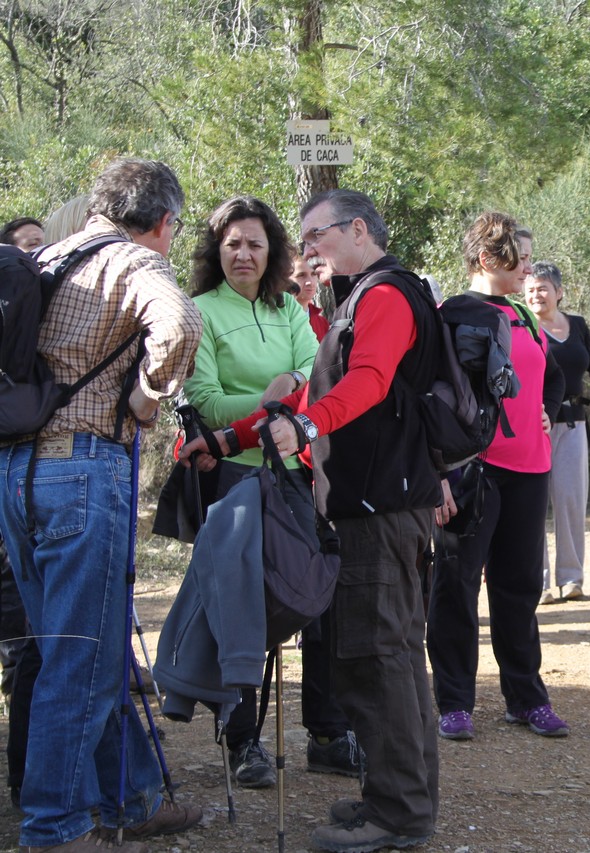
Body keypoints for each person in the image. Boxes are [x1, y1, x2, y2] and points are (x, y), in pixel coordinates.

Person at [184, 188, 446, 851]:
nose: (308, 251)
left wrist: (306, 427)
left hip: (377, 508)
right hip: (380, 503)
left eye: (315, 236)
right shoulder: (362, 298)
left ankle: (397, 814)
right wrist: (231, 437)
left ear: (357, 230)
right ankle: (402, 797)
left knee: (377, 657)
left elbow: (369, 380)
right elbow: (313, 390)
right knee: (392, 654)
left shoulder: (385, 295)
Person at [0, 157, 204, 851]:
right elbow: (181, 326)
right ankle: (55, 827)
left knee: (80, 647)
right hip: (83, 470)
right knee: (80, 660)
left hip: (16, 472)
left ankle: (128, 796)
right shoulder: (135, 262)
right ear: (165, 221)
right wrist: (146, 397)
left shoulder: (46, 257)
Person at [184, 195, 360, 787]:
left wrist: (290, 387)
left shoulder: (288, 307)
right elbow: (207, 401)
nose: (244, 254)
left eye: (255, 243)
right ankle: (243, 742)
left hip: (298, 473)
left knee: (318, 597)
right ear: (216, 250)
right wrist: (273, 399)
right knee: (242, 609)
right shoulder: (200, 311)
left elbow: (318, 373)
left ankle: (328, 734)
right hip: (233, 478)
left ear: (273, 251)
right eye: (232, 243)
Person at [427, 214, 568, 743]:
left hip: (531, 469)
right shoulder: (450, 316)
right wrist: (438, 474)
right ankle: (454, 702)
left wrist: (547, 411)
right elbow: (429, 399)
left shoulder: (524, 316)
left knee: (520, 588)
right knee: (456, 586)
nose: (529, 269)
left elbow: (551, 376)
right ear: (487, 259)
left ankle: (527, 699)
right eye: (520, 258)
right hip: (471, 472)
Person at [523, 261, 590, 604]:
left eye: (543, 288)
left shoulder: (576, 325)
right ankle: (538, 582)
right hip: (532, 425)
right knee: (533, 503)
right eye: (531, 289)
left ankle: (571, 578)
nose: (536, 295)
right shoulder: (521, 325)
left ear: (559, 291)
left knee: (570, 500)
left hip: (572, 422)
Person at [291, 251, 331, 341]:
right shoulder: (277, 322)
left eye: (313, 274)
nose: (310, 282)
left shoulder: (322, 323)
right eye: (301, 275)